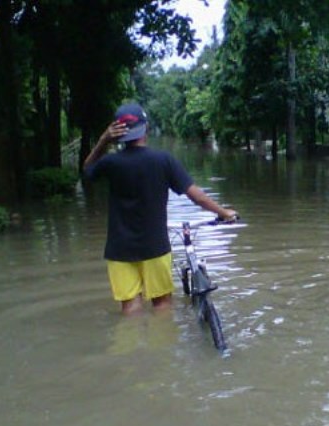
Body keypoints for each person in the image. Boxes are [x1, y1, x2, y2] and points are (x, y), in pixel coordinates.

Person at [84, 102, 237, 315]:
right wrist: (223, 213)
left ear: (119, 133)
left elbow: (87, 170)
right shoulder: (163, 160)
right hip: (155, 245)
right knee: (162, 305)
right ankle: (161, 347)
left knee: (130, 307)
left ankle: (133, 347)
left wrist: (103, 141)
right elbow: (197, 197)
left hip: (120, 249)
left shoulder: (110, 163)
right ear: (146, 128)